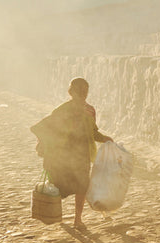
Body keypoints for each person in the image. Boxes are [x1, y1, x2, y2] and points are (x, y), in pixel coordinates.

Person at [31, 78, 112, 229]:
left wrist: (105, 139)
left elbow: (93, 132)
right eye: (79, 90)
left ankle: (78, 219)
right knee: (60, 185)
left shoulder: (89, 110)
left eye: (85, 90)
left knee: (82, 186)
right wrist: (46, 144)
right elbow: (42, 127)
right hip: (64, 156)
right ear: (71, 92)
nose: (82, 94)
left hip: (82, 156)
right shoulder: (62, 111)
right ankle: (56, 214)